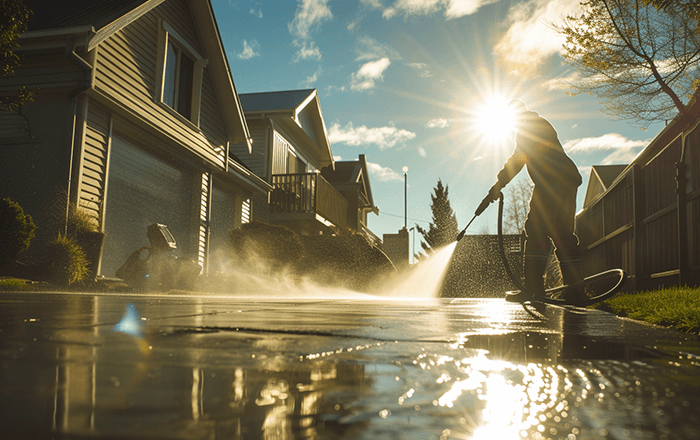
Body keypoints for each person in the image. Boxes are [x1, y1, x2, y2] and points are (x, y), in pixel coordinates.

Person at [481, 99, 585, 302]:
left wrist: (498, 185)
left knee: (536, 231)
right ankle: (576, 290)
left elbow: (518, 159)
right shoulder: (538, 123)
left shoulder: (529, 127)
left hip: (552, 183)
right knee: (563, 235)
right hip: (567, 181)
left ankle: (533, 289)